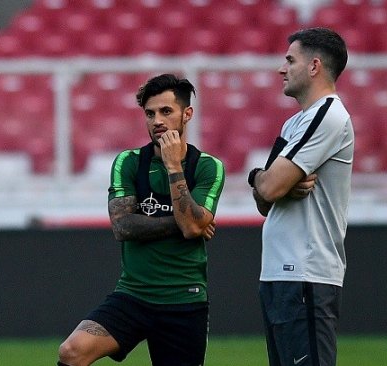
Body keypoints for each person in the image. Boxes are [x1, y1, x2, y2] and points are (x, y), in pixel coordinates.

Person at [58, 74, 225, 366]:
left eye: (166, 111)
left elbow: (192, 226)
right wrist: (184, 224)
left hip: (184, 299)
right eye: (150, 113)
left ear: (187, 114)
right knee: (72, 351)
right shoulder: (130, 162)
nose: (157, 120)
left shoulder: (208, 166)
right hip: (134, 295)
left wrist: (174, 166)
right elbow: (123, 226)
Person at [248, 27, 353, 366]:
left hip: (305, 273)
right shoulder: (294, 123)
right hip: (281, 274)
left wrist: (266, 181)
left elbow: (268, 188)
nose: (282, 69)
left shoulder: (328, 114)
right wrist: (261, 179)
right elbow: (264, 198)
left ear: (314, 66)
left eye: (290, 60)